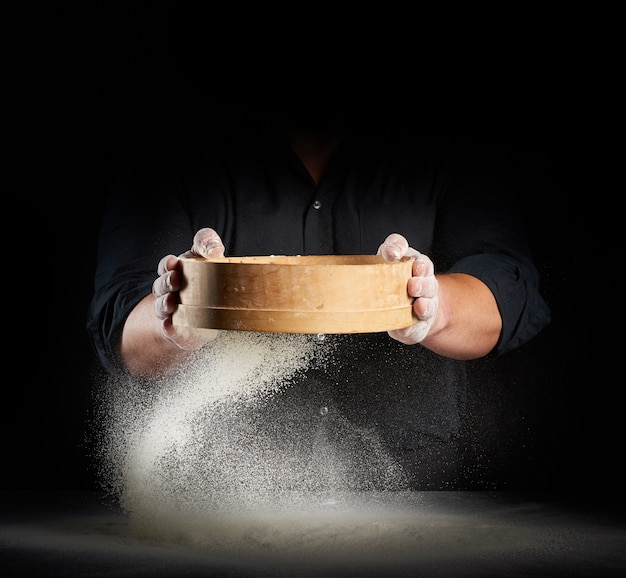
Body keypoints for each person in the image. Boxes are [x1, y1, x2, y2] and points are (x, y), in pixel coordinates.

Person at [87, 93, 550, 491]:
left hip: (421, 502)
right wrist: (177, 320)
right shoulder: (174, 152)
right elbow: (120, 321)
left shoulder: (450, 143)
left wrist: (434, 307)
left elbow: (509, 288)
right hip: (220, 509)